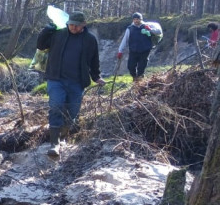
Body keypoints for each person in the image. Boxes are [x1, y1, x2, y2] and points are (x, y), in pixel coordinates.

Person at [36, 11, 106, 158]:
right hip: (56, 79)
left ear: (83, 25)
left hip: (77, 82)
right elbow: (41, 45)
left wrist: (96, 77)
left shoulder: (89, 40)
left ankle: (63, 138)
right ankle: (54, 144)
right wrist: (47, 30)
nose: (73, 27)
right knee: (56, 106)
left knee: (72, 112)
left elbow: (94, 60)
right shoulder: (58, 34)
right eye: (71, 24)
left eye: (76, 25)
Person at [116, 12, 159, 81]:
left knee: (141, 67)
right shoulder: (130, 29)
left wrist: (150, 30)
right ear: (133, 20)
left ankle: (139, 81)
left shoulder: (146, 26)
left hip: (145, 50)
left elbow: (158, 32)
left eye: (137, 19)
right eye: (134, 19)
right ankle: (135, 77)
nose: (136, 21)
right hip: (134, 51)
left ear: (141, 19)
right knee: (130, 66)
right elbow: (125, 40)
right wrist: (120, 51)